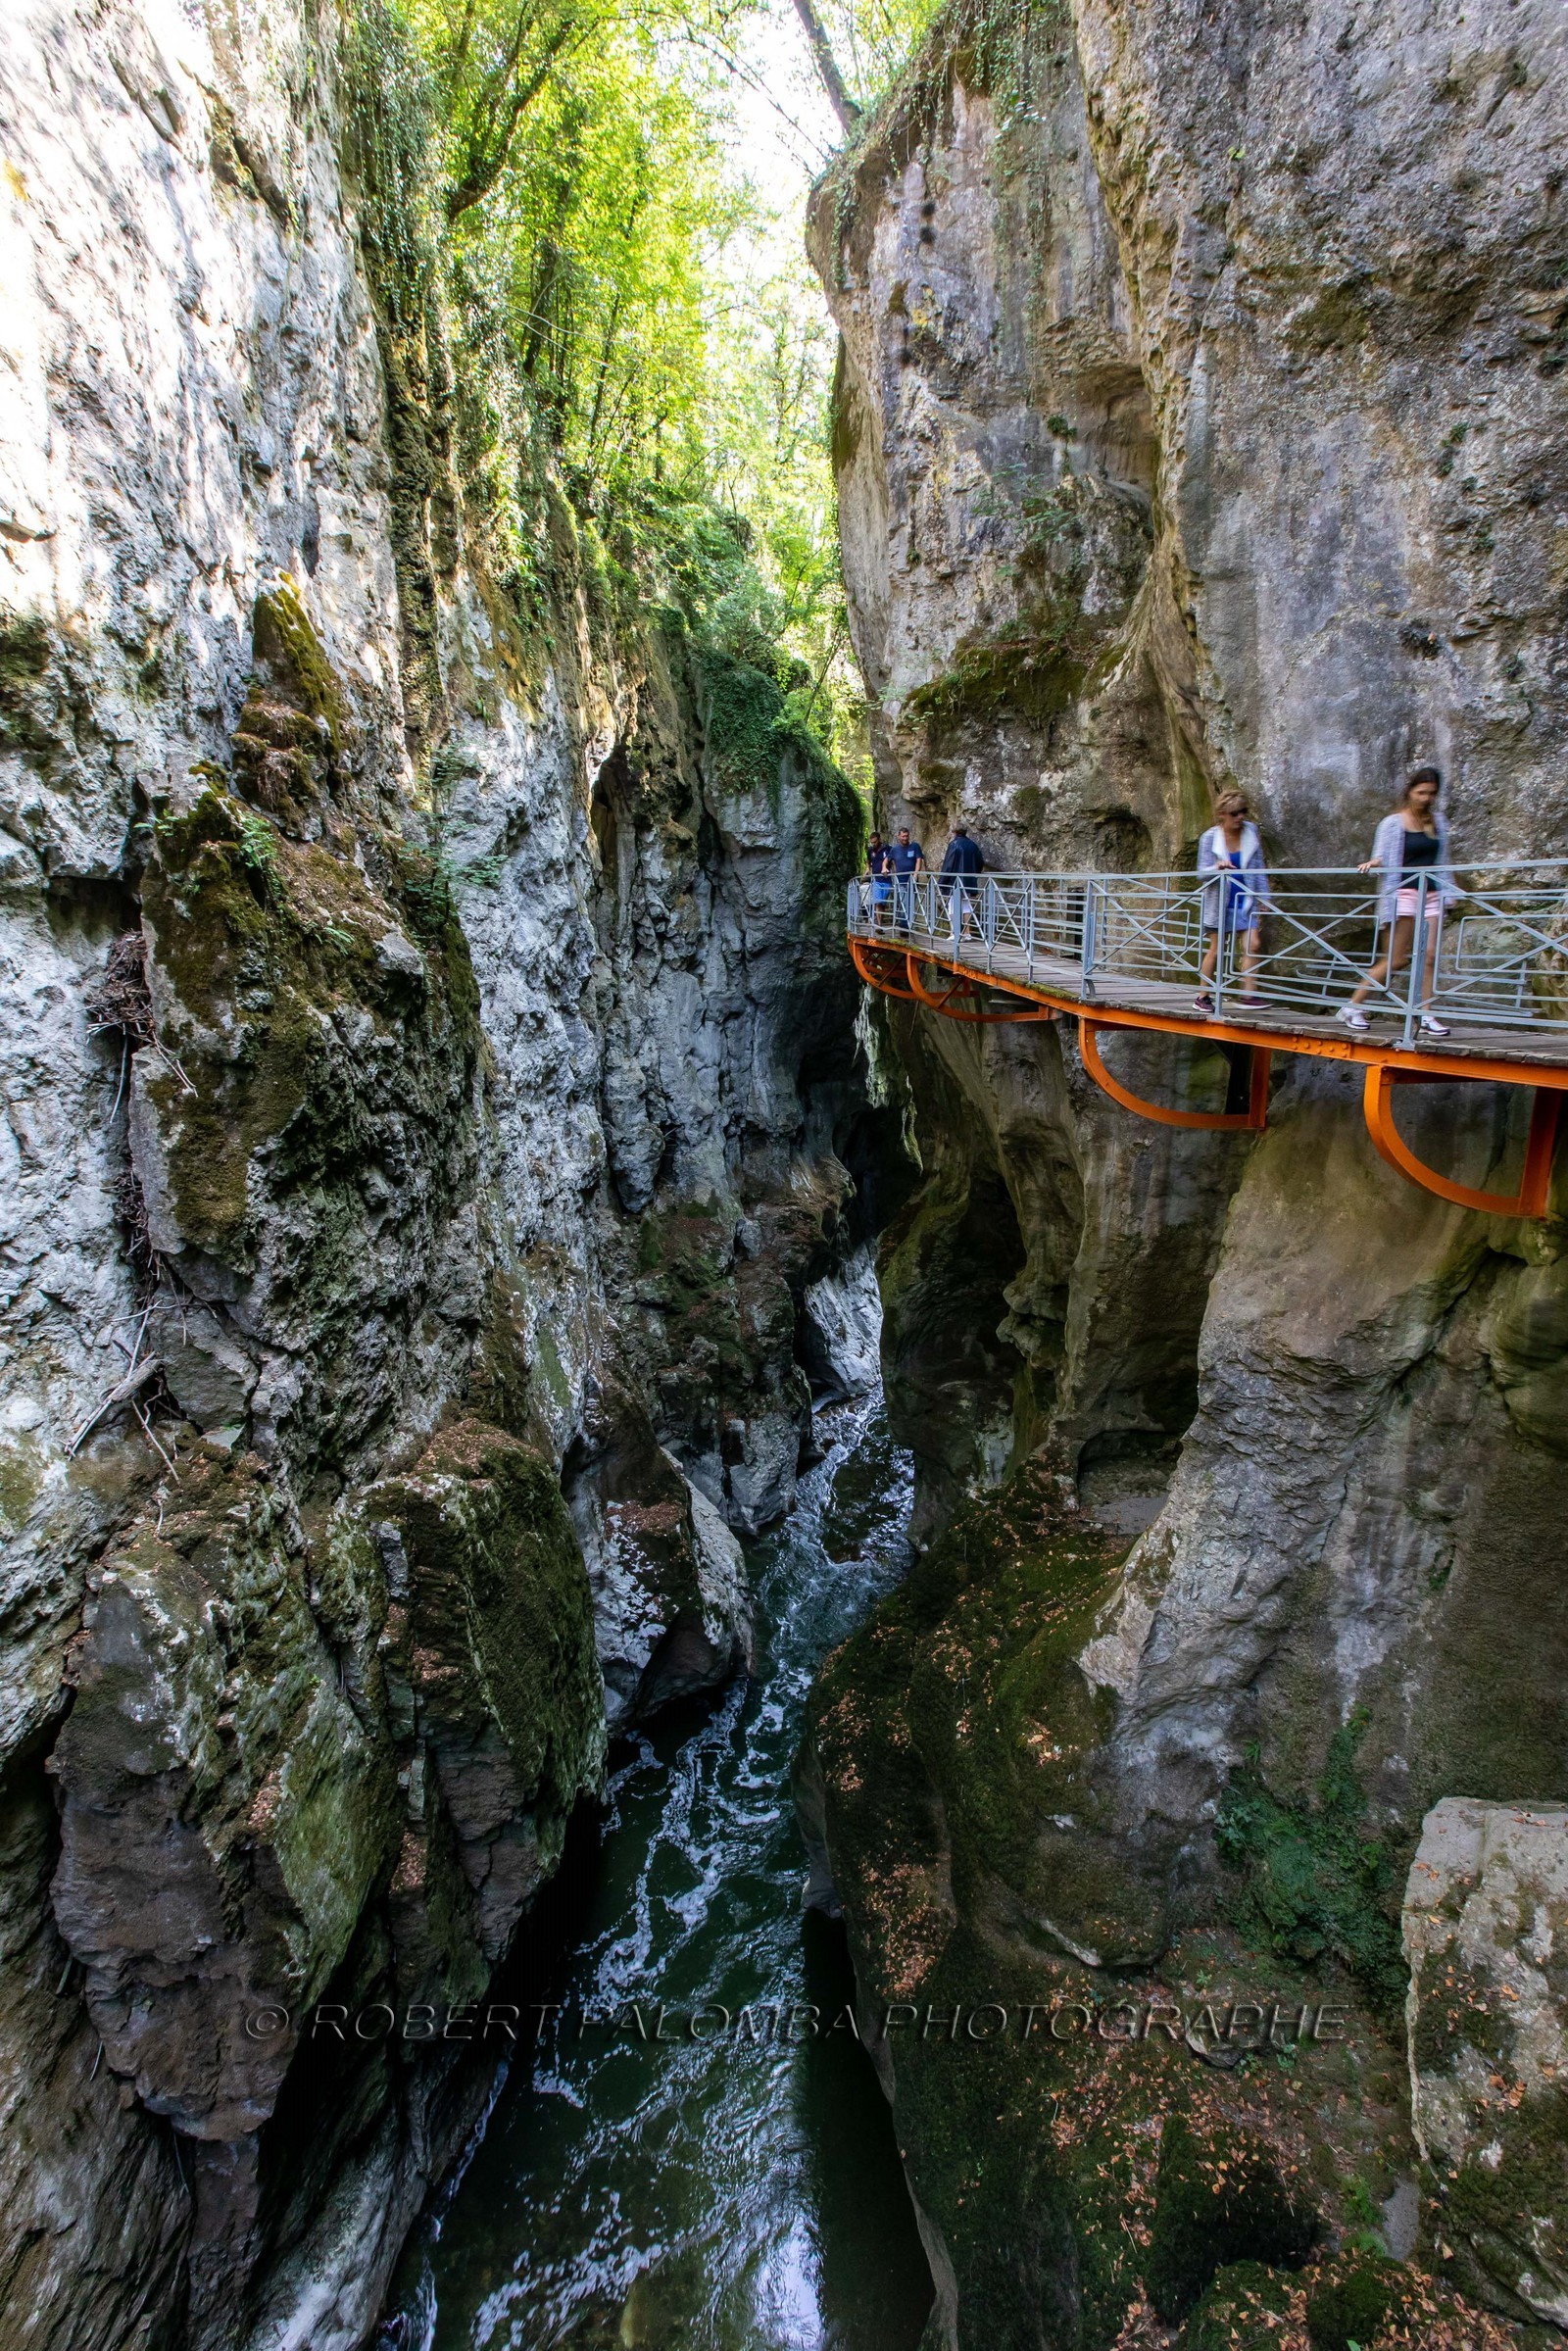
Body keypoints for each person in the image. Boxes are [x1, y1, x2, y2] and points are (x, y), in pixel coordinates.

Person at [1339, 765, 1458, 1036]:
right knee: (1396, 958)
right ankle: (1352, 1006)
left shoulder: (1438, 821)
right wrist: (1374, 863)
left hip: (1432, 895)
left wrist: (1451, 893)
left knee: (1429, 956)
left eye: (1431, 793)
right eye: (1421, 792)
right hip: (1402, 894)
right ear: (1410, 792)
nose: (1426, 798)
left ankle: (1426, 1014)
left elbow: (1443, 860)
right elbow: (1382, 856)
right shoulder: (1393, 823)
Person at [1195, 792, 1273, 1014]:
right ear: (1222, 814)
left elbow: (1258, 868)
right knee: (1216, 949)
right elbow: (1201, 874)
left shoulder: (1251, 832)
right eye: (1234, 813)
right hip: (1220, 903)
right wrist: (1217, 868)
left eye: (1243, 812)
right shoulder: (1210, 837)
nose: (1240, 817)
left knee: (1253, 945)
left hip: (1245, 900)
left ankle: (1248, 995)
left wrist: (1264, 898)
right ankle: (1202, 996)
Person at [939, 822, 985, 939]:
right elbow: (980, 862)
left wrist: (942, 881)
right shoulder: (973, 845)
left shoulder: (953, 844)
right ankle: (967, 932)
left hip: (954, 881)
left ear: (955, 832)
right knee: (966, 905)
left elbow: (948, 864)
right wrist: (974, 874)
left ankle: (954, 932)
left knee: (952, 905)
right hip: (968, 881)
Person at [890, 825, 925, 932]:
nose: (905, 838)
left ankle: (907, 926)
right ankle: (904, 926)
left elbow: (919, 860)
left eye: (906, 836)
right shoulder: (895, 849)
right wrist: (884, 868)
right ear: (898, 837)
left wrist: (916, 874)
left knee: (910, 902)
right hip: (900, 881)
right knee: (903, 902)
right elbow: (887, 860)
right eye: (903, 836)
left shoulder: (914, 846)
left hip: (912, 881)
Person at [864, 830, 894, 929]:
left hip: (886, 880)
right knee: (878, 902)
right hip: (876, 880)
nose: (873, 844)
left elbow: (892, 860)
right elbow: (868, 861)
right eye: (872, 842)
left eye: (875, 842)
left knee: (883, 903)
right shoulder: (870, 850)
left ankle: (880, 923)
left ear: (879, 839)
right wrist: (867, 869)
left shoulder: (887, 848)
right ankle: (879, 925)